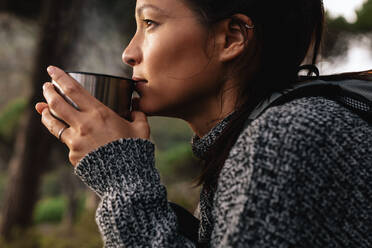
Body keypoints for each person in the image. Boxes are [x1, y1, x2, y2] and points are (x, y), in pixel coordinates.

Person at [35, 0, 372, 247]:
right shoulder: (253, 139)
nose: (128, 53)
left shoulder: (286, 136)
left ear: (231, 38)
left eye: (149, 23)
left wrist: (121, 176)